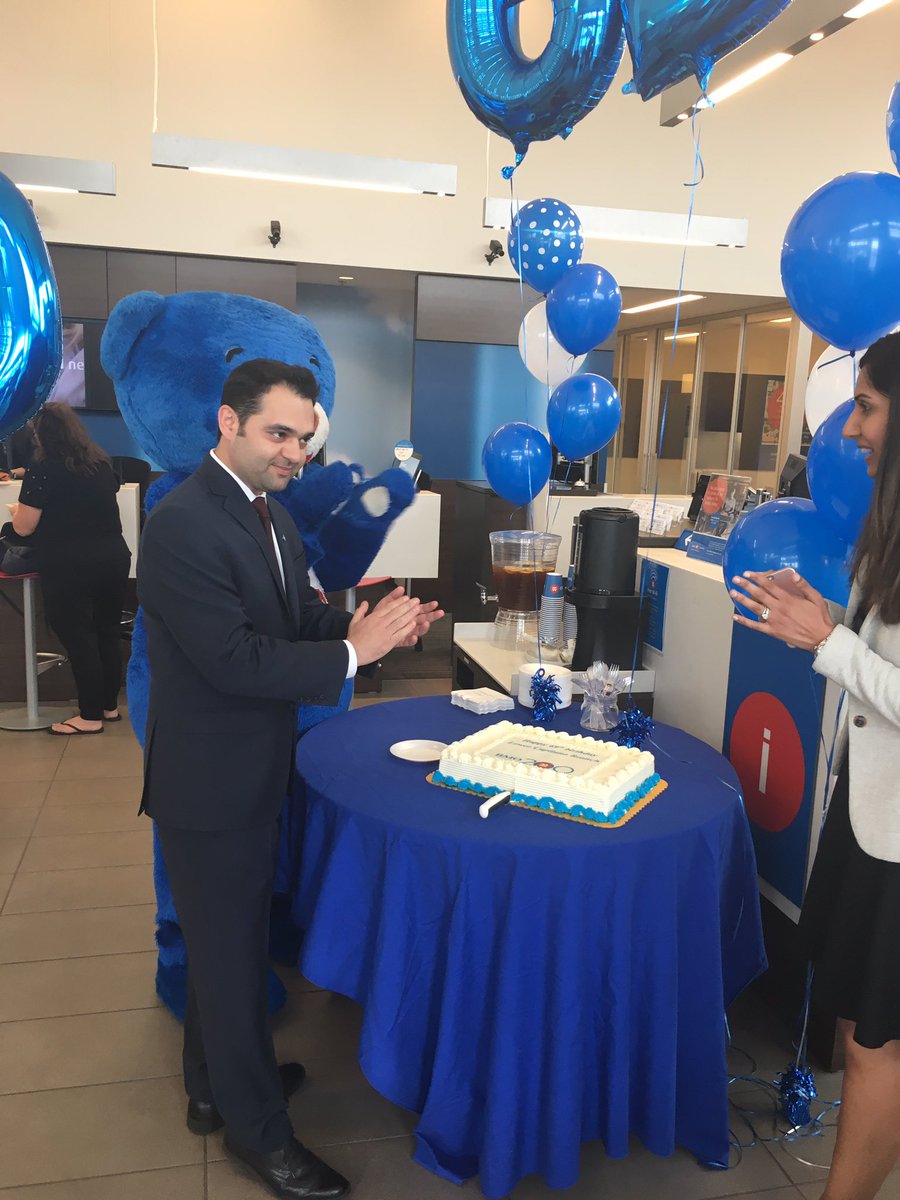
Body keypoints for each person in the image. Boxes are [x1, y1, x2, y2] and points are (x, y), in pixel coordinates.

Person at [137, 358, 442, 1200]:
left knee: (223, 942)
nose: (296, 452)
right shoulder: (182, 522)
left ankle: (214, 1089)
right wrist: (355, 653)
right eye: (279, 433)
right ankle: (257, 1133)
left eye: (305, 439)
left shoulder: (266, 515)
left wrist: (369, 624)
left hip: (256, 767)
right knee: (231, 955)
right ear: (227, 422)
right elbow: (233, 659)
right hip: (209, 782)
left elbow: (295, 617)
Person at [730, 330, 900, 1200]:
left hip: (895, 845)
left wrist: (829, 641)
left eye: (866, 407)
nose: (850, 430)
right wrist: (831, 615)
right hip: (867, 822)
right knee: (867, 1036)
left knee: (875, 1048)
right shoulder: (892, 528)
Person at [10, 403, 131, 735]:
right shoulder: (100, 464)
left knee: (79, 638)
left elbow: (23, 527)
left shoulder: (45, 469)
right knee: (106, 632)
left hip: (69, 563)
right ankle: (108, 708)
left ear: (42, 435)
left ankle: (88, 716)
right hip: (113, 557)